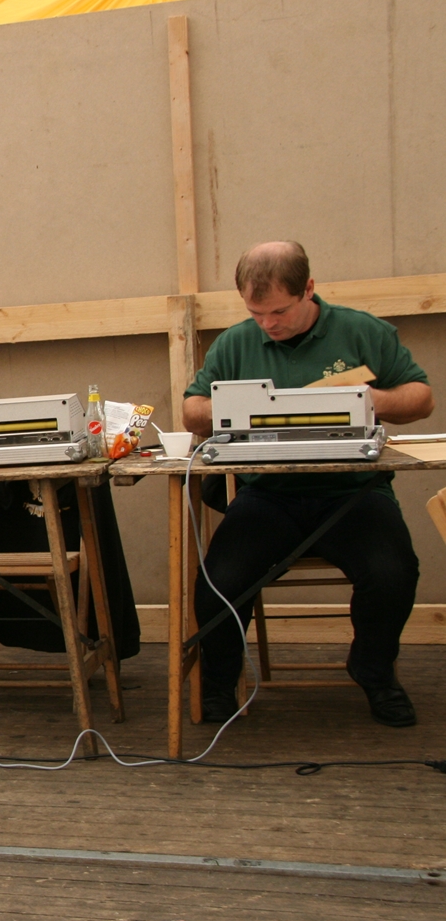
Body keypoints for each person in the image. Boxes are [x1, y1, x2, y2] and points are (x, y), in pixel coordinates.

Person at [182, 241, 433, 727]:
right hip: (267, 494)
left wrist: (368, 399)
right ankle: (218, 684)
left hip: (353, 492)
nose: (268, 324)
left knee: (394, 573)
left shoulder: (362, 331)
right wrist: (238, 410)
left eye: (279, 311)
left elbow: (421, 398)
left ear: (309, 289)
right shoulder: (234, 343)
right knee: (219, 580)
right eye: (255, 313)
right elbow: (192, 409)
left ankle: (374, 671)